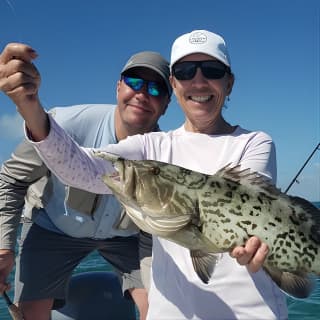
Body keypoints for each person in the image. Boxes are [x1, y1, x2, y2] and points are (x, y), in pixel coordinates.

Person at [0, 29, 288, 319]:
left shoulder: (255, 142)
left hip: (247, 306)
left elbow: (253, 201)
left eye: (212, 70)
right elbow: (83, 168)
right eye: (186, 72)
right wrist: (30, 107)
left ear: (229, 82)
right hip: (67, 238)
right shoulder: (150, 146)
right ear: (175, 85)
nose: (198, 81)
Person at [0, 47, 172, 320]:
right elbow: (11, 178)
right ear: (118, 87)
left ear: (166, 104)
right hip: (53, 229)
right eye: (134, 82)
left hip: (127, 239)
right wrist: (4, 246)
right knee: (30, 313)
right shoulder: (62, 124)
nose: (141, 93)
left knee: (162, 307)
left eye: (155, 89)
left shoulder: (167, 156)